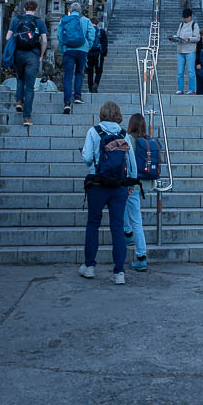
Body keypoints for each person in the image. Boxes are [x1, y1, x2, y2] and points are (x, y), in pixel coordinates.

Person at [80, 101, 137, 284]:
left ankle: (89, 266)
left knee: (93, 224)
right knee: (117, 227)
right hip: (119, 186)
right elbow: (131, 163)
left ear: (102, 114)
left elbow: (88, 158)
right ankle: (119, 272)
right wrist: (131, 185)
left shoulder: (93, 132)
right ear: (118, 115)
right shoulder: (124, 134)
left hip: (97, 184)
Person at [123, 113, 159, 272]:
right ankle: (127, 232)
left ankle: (141, 256)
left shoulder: (129, 139)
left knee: (136, 220)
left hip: (133, 184)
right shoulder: (148, 140)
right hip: (146, 183)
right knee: (126, 206)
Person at [6, 0, 47, 126]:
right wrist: (41, 54)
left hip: (19, 54)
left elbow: (8, 37)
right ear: (36, 9)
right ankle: (27, 118)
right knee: (30, 87)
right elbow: (44, 40)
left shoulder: (16, 20)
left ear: (24, 8)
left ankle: (19, 101)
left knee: (20, 78)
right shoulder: (39, 22)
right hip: (33, 55)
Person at [57, 2, 95, 113]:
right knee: (79, 72)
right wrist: (88, 46)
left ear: (70, 10)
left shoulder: (64, 20)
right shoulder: (86, 20)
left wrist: (62, 49)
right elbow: (91, 34)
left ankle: (67, 103)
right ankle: (77, 96)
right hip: (82, 50)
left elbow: (59, 36)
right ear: (80, 10)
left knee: (68, 76)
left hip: (68, 50)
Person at [173, 8, 199, 95]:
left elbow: (197, 38)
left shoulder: (194, 25)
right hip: (180, 51)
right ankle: (180, 89)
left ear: (190, 16)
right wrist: (175, 38)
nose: (185, 19)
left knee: (191, 71)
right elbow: (178, 35)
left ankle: (192, 89)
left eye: (187, 17)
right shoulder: (181, 25)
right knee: (180, 72)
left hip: (190, 50)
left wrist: (188, 38)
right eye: (184, 17)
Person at [86, 17, 108, 93]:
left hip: (88, 53)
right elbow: (105, 43)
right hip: (99, 54)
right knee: (99, 71)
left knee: (90, 71)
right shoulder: (101, 31)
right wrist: (104, 54)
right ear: (97, 23)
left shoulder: (87, 31)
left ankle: (90, 87)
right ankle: (96, 83)